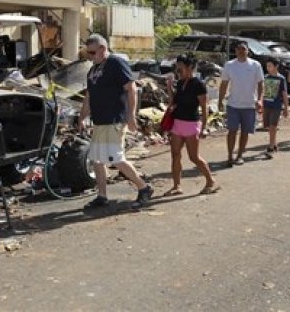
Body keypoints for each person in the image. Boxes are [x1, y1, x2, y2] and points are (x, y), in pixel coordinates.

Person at [78, 34, 153, 210]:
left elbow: (131, 88)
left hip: (114, 119)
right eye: (87, 53)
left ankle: (144, 187)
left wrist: (131, 115)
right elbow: (88, 96)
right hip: (100, 120)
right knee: (97, 160)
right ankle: (102, 195)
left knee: (116, 158)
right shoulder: (93, 70)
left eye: (92, 52)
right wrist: (82, 117)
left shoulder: (115, 63)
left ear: (103, 49)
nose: (90, 56)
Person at [163, 54, 219, 196]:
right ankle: (177, 186)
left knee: (193, 157)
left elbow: (204, 107)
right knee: (175, 155)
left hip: (191, 124)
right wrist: (169, 88)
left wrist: (204, 127)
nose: (178, 71)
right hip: (177, 123)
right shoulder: (180, 83)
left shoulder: (198, 84)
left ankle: (211, 181)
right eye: (177, 68)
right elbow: (173, 103)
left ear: (190, 68)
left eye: (180, 68)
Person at [218, 41, 265, 166]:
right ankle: (230, 156)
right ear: (235, 51)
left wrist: (260, 100)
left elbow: (261, 83)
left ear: (248, 51)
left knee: (245, 131)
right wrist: (220, 100)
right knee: (232, 130)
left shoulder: (255, 65)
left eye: (243, 49)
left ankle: (239, 155)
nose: (241, 51)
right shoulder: (229, 65)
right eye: (238, 49)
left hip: (249, 105)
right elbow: (224, 84)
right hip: (233, 104)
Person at [261, 58, 289, 153]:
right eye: (267, 66)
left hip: (276, 106)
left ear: (276, 66)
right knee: (268, 126)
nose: (268, 68)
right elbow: (262, 92)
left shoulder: (281, 78)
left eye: (270, 66)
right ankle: (274, 143)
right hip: (266, 105)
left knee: (273, 126)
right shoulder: (265, 77)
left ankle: (271, 146)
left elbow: (284, 93)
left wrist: (286, 107)